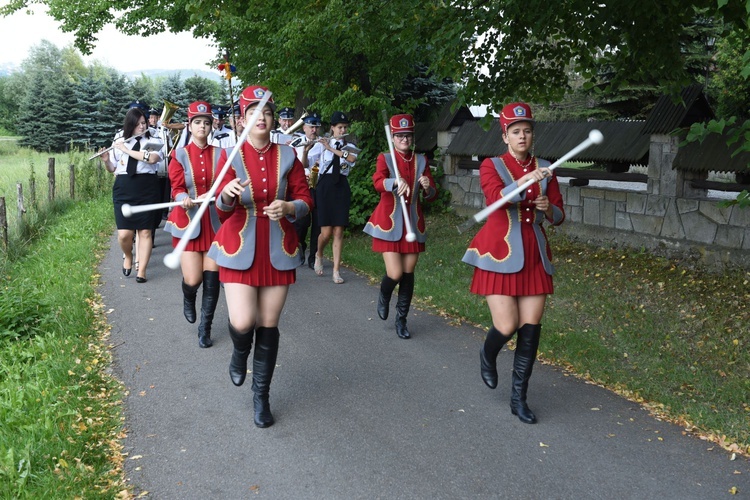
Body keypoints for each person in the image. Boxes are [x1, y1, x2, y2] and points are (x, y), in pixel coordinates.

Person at [207, 85, 313, 428]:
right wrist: (225, 195)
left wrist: (290, 206)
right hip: (238, 245)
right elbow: (221, 212)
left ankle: (261, 397)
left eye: (267, 112)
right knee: (241, 322)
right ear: (242, 119)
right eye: (254, 112)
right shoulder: (229, 155)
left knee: (268, 325)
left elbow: (306, 200)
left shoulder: (288, 155)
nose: (262, 118)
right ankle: (239, 353)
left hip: (278, 248)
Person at [462, 102, 565, 424]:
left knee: (530, 330)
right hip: (498, 252)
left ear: (533, 134)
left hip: (534, 253)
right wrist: (523, 182)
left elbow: (560, 217)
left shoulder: (547, 167)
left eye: (527, 131)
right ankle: (488, 352)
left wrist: (548, 208)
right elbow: (495, 199)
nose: (522, 136)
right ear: (505, 136)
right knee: (507, 325)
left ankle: (518, 399)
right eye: (516, 131)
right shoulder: (492, 165)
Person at [364, 114, 437, 339]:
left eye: (408, 135)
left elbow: (432, 195)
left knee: (408, 273)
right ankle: (384, 294)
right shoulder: (385, 158)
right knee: (394, 272)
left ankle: (401, 319)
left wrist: (427, 186)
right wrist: (394, 182)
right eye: (400, 136)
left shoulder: (422, 160)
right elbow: (377, 182)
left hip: (413, 222)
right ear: (393, 137)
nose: (404, 139)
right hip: (389, 221)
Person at [164, 101, 223, 348]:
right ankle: (188, 297)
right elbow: (176, 187)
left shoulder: (222, 154)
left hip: (215, 223)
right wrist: (182, 198)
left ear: (211, 126)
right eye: (197, 122)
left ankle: (205, 329)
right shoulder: (178, 155)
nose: (202, 126)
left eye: (206, 123)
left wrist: (219, 192)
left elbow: (226, 182)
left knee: (212, 279)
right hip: (187, 222)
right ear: (189, 125)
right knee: (193, 279)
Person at [99, 106, 164, 283]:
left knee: (145, 232)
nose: (142, 127)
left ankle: (141, 270)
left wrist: (126, 150)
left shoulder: (155, 138)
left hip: (147, 187)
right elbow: (113, 168)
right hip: (124, 187)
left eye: (144, 123)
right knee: (124, 234)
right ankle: (128, 255)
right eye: (138, 124)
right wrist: (106, 161)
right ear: (130, 125)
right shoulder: (119, 138)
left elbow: (152, 158)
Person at [312, 111, 357, 284]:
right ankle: (319, 253)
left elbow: (351, 159)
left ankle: (336, 271)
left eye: (345, 127)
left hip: (341, 186)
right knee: (326, 232)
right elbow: (308, 160)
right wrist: (309, 146)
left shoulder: (350, 146)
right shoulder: (322, 143)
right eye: (339, 127)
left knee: (339, 230)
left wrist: (331, 149)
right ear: (332, 128)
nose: (342, 130)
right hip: (325, 186)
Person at [292, 111, 322, 266]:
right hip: (302, 184)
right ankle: (300, 245)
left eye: (316, 127)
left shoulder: (324, 144)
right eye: (311, 127)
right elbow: (300, 165)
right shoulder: (296, 143)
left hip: (319, 185)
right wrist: (305, 153)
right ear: (304, 127)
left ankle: (314, 257)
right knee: (302, 222)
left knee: (318, 222)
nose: (314, 130)